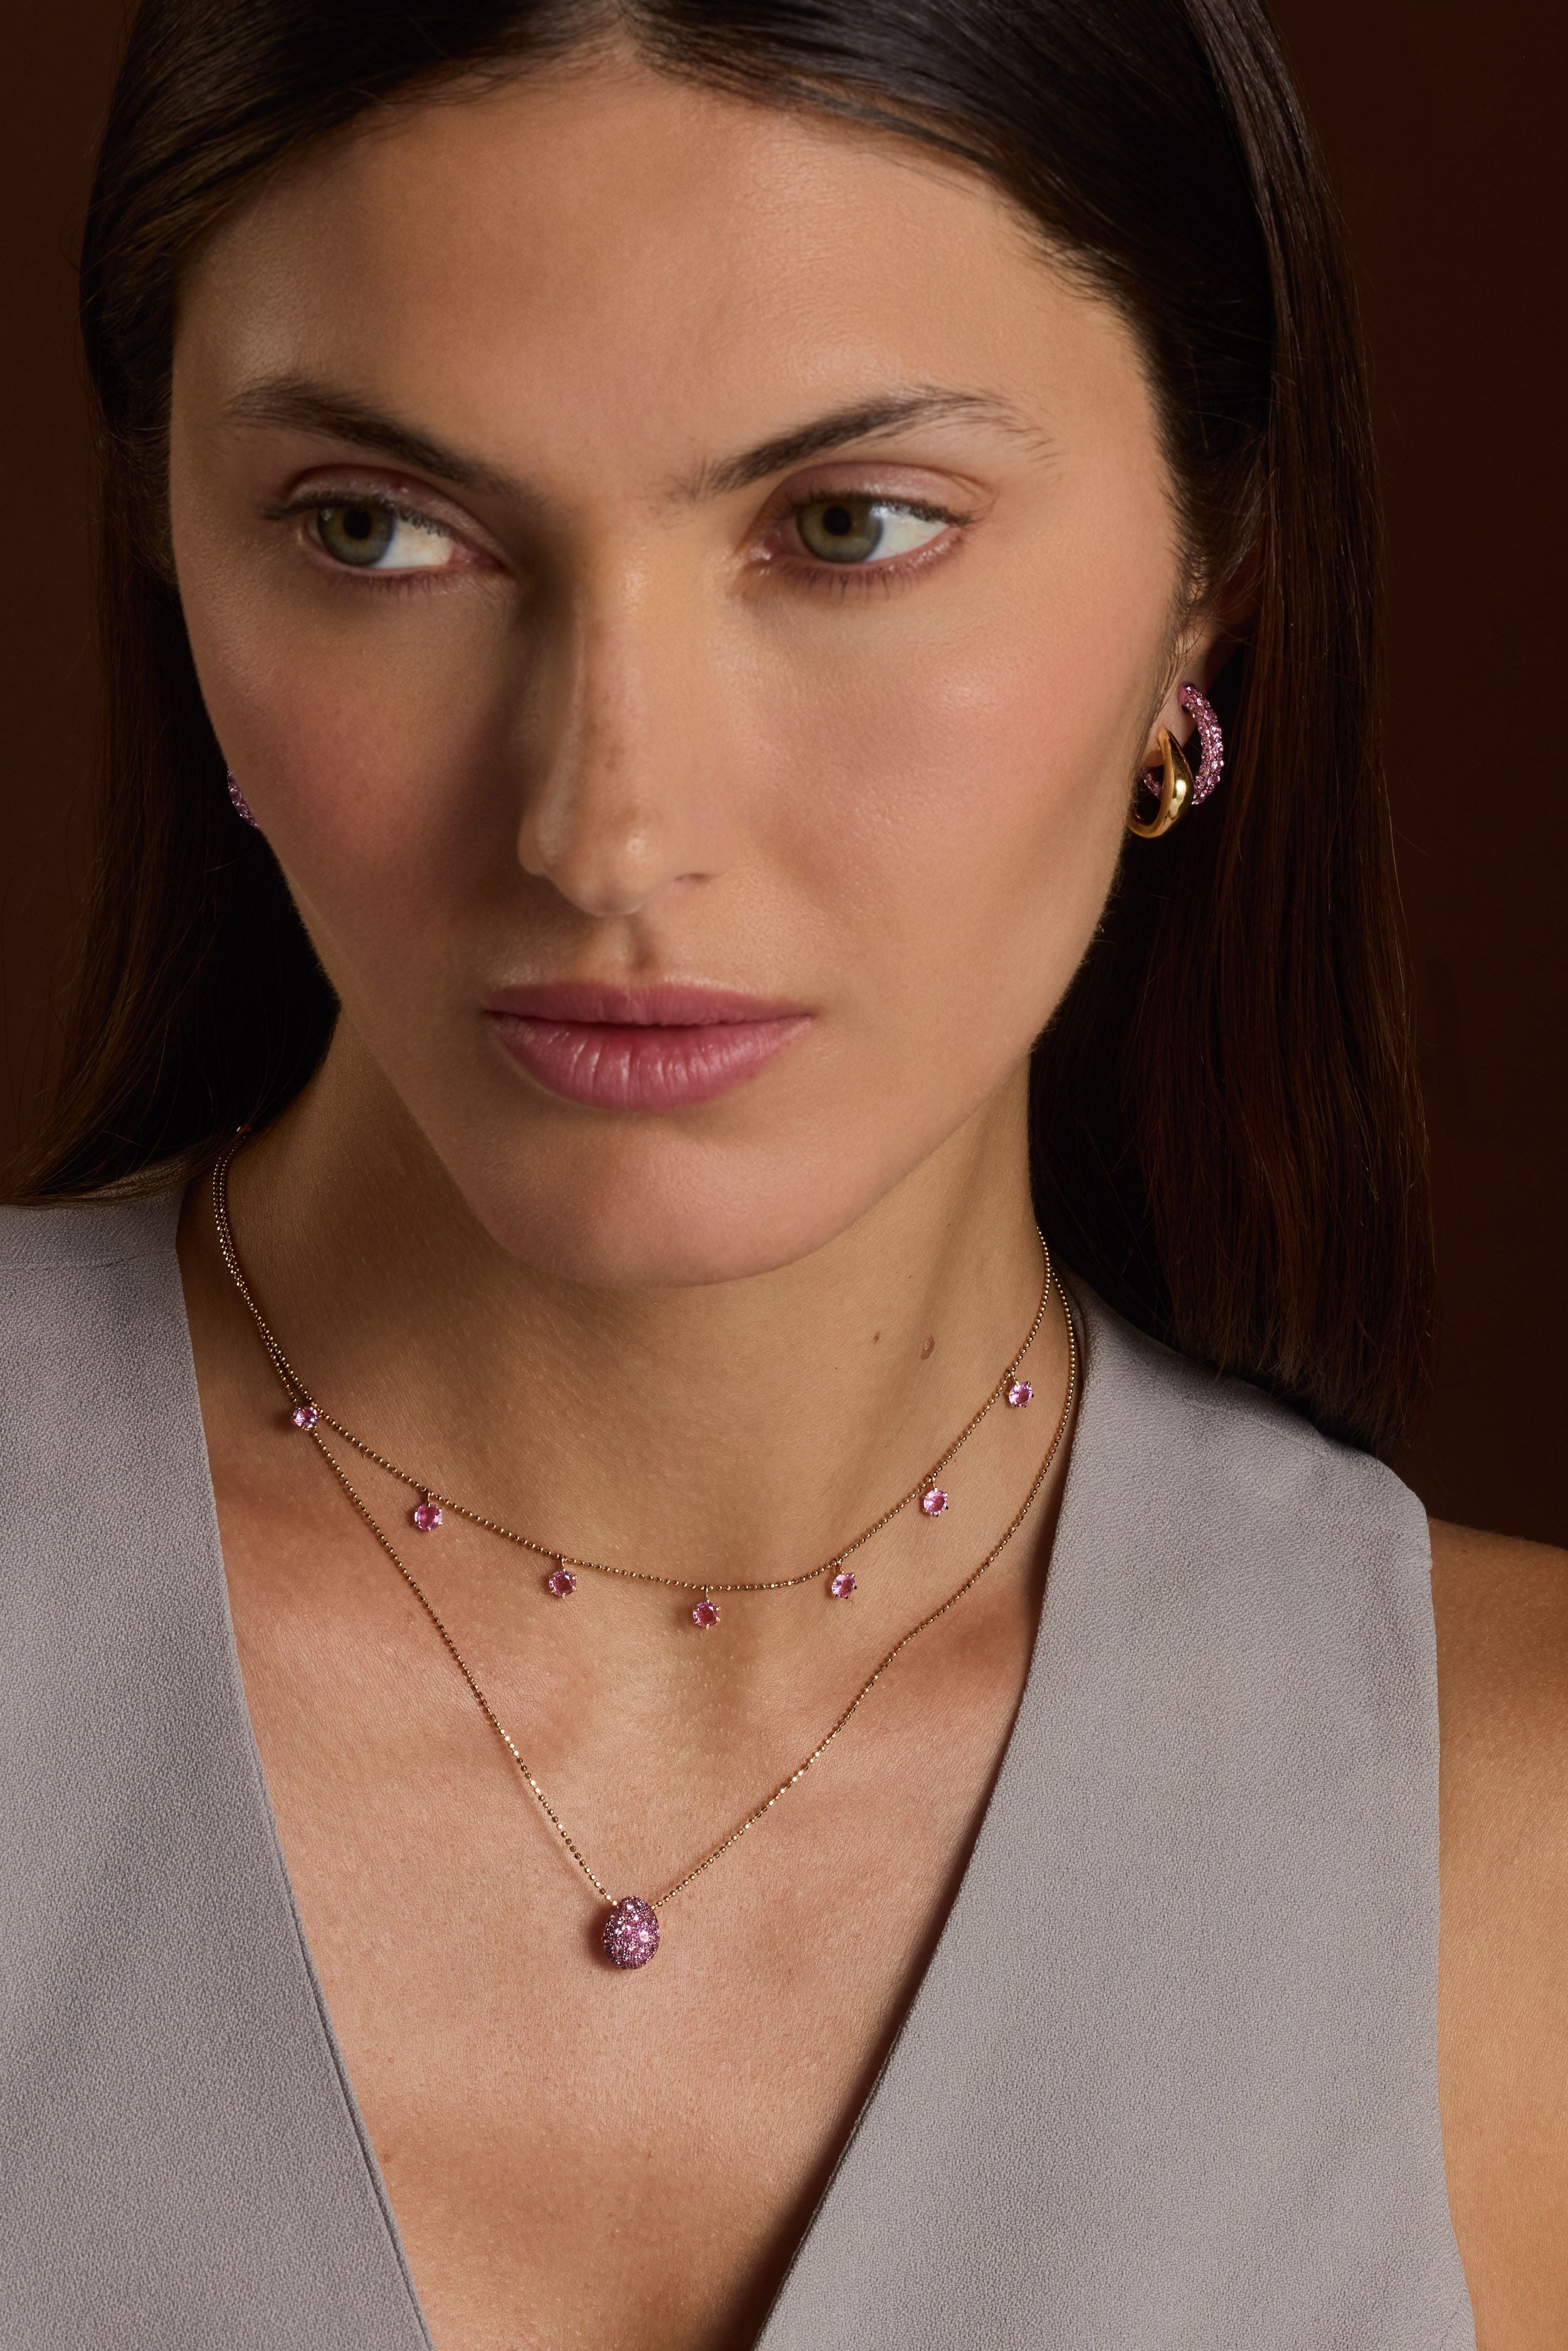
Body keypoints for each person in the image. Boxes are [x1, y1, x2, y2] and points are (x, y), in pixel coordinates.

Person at [1, 1, 1561, 2343]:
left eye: (846, 529)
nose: (608, 831)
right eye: (378, 528)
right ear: (177, 571)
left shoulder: (1524, 1860)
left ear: (1209, 576)